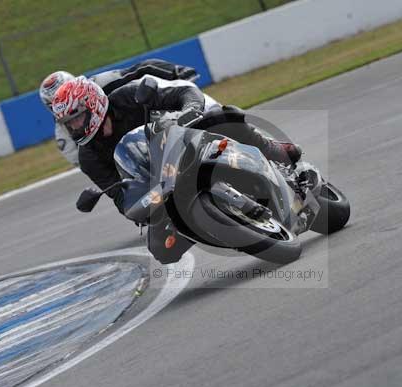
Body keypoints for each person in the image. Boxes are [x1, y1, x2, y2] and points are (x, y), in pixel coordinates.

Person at [52, 75, 301, 263]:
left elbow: (185, 91)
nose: (74, 127)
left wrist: (189, 110)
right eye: (68, 124)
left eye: (76, 118)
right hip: (159, 181)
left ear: (92, 104)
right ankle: (225, 231)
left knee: (224, 117)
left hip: (185, 138)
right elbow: (120, 198)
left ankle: (273, 151)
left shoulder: (127, 98)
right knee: (161, 249)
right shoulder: (88, 157)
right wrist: (139, 206)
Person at [39, 59, 198, 166]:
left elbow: (140, 68)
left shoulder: (99, 82)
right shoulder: (63, 135)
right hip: (119, 155)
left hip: (140, 121)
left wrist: (175, 72)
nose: (64, 103)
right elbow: (86, 164)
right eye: (56, 101)